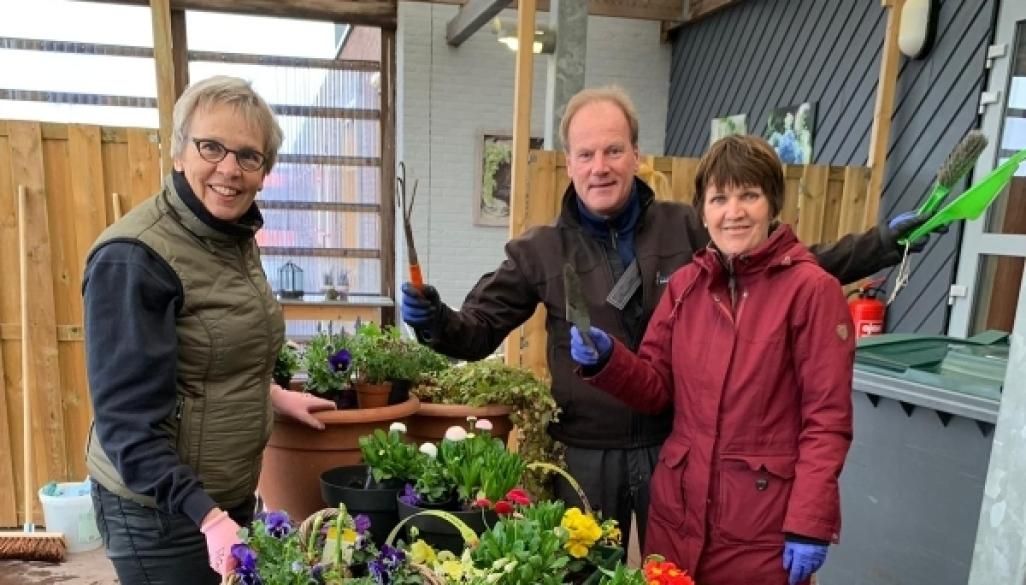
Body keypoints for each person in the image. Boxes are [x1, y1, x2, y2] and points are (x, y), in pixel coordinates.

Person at [400, 85, 934, 553]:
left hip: (674, 450)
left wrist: (883, 244)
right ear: (570, 163)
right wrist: (433, 319)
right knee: (584, 568)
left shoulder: (687, 228)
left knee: (674, 572)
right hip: (586, 452)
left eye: (613, 149)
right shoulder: (539, 251)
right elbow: (475, 333)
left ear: (635, 154)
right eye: (586, 154)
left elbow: (789, 265)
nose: (600, 165)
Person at [83, 75, 336, 584]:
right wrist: (208, 516)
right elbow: (127, 426)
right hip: (161, 513)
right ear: (178, 153)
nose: (230, 169)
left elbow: (208, 353)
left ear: (265, 172)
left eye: (249, 156)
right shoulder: (135, 259)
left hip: (224, 498)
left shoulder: (231, 238)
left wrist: (271, 394)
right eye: (211, 147)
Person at [570, 134, 853, 585]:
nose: (734, 212)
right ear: (704, 211)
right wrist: (608, 360)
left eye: (749, 196)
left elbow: (827, 421)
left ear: (772, 203)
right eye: (720, 198)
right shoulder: (686, 287)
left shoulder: (812, 292)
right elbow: (656, 388)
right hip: (677, 519)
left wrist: (810, 522)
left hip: (761, 530)